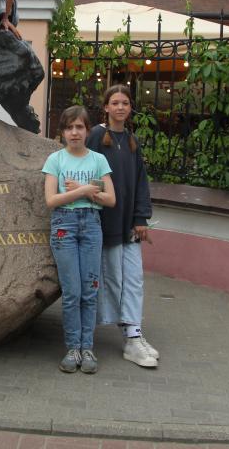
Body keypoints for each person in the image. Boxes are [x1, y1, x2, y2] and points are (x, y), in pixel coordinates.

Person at [86, 85, 159, 368]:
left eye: (125, 103)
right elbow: (89, 173)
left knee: (134, 279)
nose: (120, 107)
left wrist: (141, 218)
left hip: (129, 223)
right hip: (107, 223)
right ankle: (128, 335)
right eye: (115, 103)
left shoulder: (131, 140)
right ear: (106, 107)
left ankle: (134, 336)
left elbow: (140, 182)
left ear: (130, 108)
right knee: (114, 280)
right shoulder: (96, 135)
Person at [42, 106, 115, 374]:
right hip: (65, 226)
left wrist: (80, 190)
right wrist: (87, 190)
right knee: (72, 292)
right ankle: (73, 348)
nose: (74, 132)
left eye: (79, 127)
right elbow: (52, 200)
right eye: (69, 127)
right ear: (62, 132)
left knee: (89, 290)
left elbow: (111, 199)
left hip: (92, 226)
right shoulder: (55, 160)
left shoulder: (98, 160)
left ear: (87, 130)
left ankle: (88, 348)